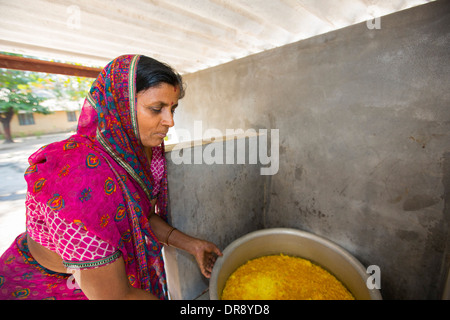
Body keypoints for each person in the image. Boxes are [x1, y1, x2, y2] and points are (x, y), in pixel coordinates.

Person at [0, 54, 222, 300]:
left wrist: (193, 245)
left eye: (173, 108)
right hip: (54, 283)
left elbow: (141, 216)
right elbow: (116, 296)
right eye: (156, 109)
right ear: (120, 105)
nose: (170, 121)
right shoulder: (79, 181)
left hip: (103, 277)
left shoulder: (139, 152)